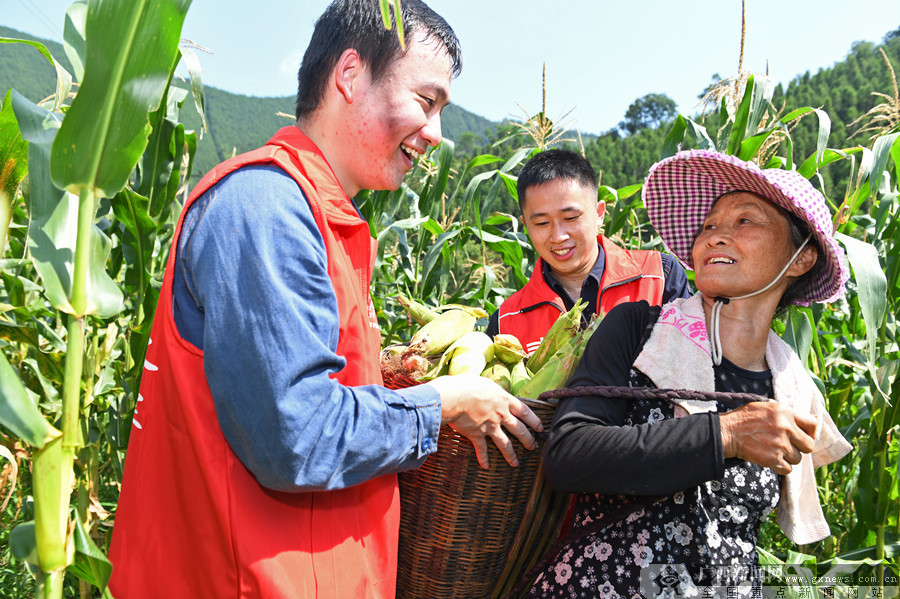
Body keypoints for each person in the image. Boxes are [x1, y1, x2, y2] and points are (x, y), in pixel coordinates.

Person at [107, 1, 542, 597]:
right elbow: (295, 433)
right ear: (349, 75)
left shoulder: (324, 217)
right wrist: (439, 401)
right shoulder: (265, 208)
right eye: (427, 100)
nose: (437, 134)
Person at [526, 149, 852, 598]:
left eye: (745, 222)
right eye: (709, 227)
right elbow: (569, 454)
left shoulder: (790, 388)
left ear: (800, 259)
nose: (717, 236)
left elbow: (738, 540)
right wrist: (726, 435)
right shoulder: (636, 330)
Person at [486, 149, 692, 354]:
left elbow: (692, 361)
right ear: (525, 225)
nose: (558, 236)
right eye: (541, 223)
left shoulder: (660, 275)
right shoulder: (506, 322)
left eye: (571, 218)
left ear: (599, 213)